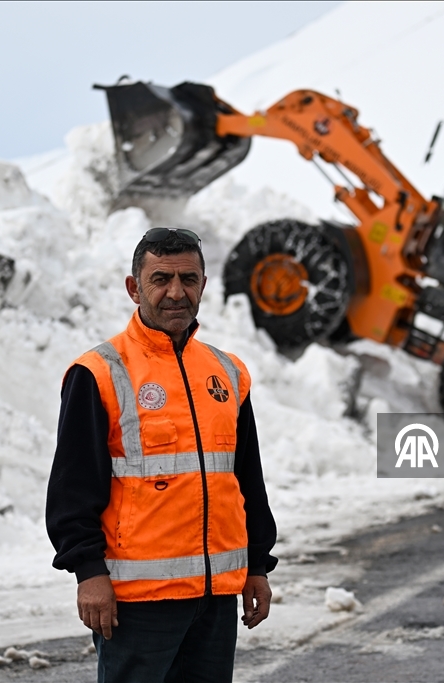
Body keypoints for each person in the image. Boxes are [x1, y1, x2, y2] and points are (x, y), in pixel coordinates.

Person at [46, 227, 277, 682]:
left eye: (188, 279)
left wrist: (257, 565)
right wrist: (87, 572)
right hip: (138, 603)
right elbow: (73, 488)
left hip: (215, 598)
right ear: (134, 288)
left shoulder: (227, 372)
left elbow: (246, 478)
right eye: (160, 279)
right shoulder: (99, 372)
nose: (176, 292)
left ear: (203, 285)